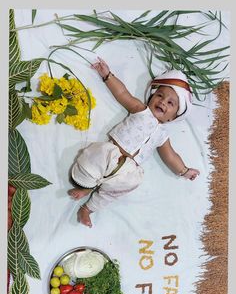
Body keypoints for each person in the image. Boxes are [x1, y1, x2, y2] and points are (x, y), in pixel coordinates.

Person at [68, 57, 200, 227]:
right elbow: (123, 94)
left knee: (131, 183)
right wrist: (107, 75)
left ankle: (88, 208)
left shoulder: (162, 136)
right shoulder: (141, 110)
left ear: (173, 117)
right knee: (95, 156)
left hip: (128, 168)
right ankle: (85, 186)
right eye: (160, 95)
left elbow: (171, 156)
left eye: (170, 103)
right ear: (151, 97)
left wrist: (184, 171)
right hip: (111, 152)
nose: (162, 102)